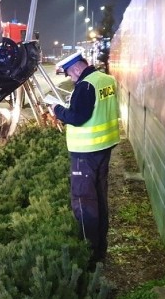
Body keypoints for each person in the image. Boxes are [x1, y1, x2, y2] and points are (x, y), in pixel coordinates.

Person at [50, 52, 120, 265]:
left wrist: (57, 110)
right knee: (99, 197)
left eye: (71, 74)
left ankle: (88, 254)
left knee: (84, 201)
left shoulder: (85, 86)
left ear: (78, 69)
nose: (71, 79)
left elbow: (78, 117)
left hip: (86, 153)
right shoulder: (106, 80)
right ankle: (100, 249)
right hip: (104, 148)